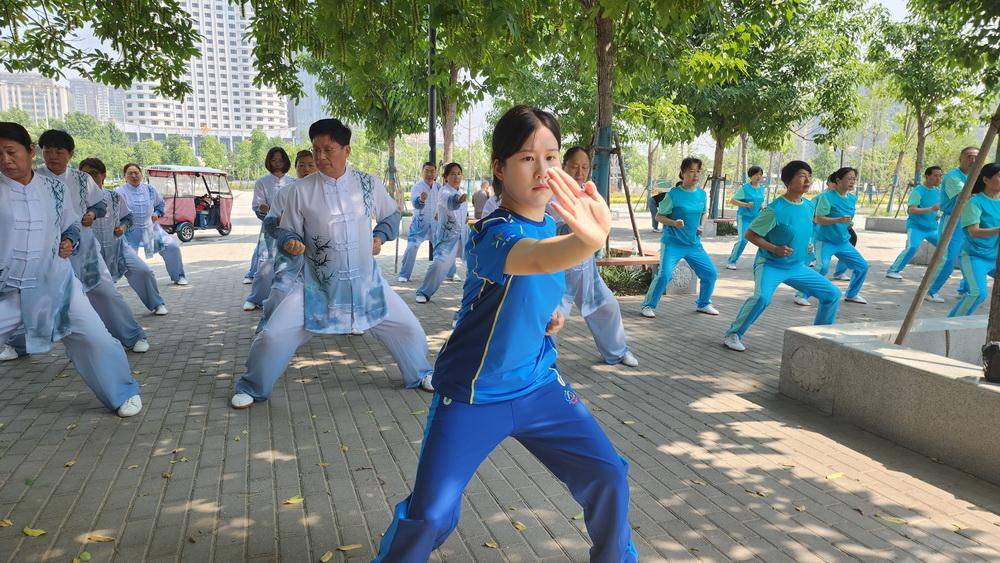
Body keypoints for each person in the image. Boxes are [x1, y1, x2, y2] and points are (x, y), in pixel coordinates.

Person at [374, 105, 636, 562]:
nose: (543, 170)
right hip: (474, 393)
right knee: (432, 515)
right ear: (499, 168)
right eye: (527, 158)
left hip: (537, 385)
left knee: (608, 476)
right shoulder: (490, 232)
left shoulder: (554, 226)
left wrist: (552, 315)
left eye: (551, 157)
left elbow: (545, 280)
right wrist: (589, 241)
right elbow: (534, 258)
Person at [231, 118, 435, 409]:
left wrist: (380, 235)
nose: (321, 156)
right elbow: (285, 229)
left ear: (347, 150)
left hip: (366, 282)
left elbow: (391, 216)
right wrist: (290, 241)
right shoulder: (300, 191)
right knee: (274, 335)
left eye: (329, 149)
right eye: (316, 150)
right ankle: (252, 386)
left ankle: (420, 373)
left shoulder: (368, 184)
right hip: (317, 285)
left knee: (409, 328)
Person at [0, 122, 142, 416]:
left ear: (28, 152)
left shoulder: (54, 188)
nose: (5, 160)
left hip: (56, 281)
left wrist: (69, 239)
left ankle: (122, 391)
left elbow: (70, 223)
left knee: (95, 337)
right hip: (8, 288)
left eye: (10, 152)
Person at [27, 130, 150, 353]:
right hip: (47, 251)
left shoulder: (82, 179)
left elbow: (100, 205)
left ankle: (132, 336)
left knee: (105, 293)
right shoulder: (33, 178)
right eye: (48, 151)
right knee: (29, 299)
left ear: (70, 154)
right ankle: (18, 344)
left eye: (59, 151)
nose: (53, 156)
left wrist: (92, 214)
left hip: (85, 251)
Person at [723, 161, 841, 352]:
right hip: (770, 264)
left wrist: (808, 243)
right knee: (762, 298)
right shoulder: (774, 209)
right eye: (802, 175)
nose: (808, 180)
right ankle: (733, 333)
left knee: (832, 295)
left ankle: (820, 337)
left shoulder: (809, 206)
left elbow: (804, 229)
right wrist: (774, 248)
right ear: (788, 181)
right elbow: (750, 235)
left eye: (809, 176)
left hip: (797, 267)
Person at [554, 147, 638, 367]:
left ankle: (617, 351)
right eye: (574, 166)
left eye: (584, 167)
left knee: (608, 306)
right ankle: (541, 366)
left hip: (586, 269)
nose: (580, 172)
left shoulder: (589, 195)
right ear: (564, 166)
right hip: (558, 269)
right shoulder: (552, 193)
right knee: (550, 317)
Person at [79, 158, 168, 317]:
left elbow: (128, 218)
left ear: (103, 175)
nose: (90, 178)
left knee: (143, 271)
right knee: (101, 288)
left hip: (119, 246)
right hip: (91, 252)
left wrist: (123, 227)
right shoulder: (76, 200)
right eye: (85, 175)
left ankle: (156, 303)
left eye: (94, 174)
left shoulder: (113, 197)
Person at [640, 157, 719, 318]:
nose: (695, 174)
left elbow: (704, 212)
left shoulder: (702, 194)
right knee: (665, 275)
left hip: (693, 244)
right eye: (691, 171)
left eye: (698, 171)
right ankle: (648, 305)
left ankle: (703, 304)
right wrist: (674, 222)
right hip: (673, 243)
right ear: (682, 173)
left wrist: (701, 226)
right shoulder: (673, 195)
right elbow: (659, 217)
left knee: (710, 274)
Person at [793, 166, 869, 306]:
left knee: (862, 266)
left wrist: (847, 223)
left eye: (854, 179)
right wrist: (838, 220)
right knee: (822, 267)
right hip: (825, 241)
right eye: (849, 178)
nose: (852, 182)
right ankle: (801, 294)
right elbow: (818, 219)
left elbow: (846, 217)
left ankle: (851, 294)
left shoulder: (852, 198)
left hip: (842, 241)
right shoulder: (826, 197)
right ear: (839, 180)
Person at [256, 150, 314, 331]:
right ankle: (266, 328)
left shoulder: (328, 193)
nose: (306, 169)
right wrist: (282, 227)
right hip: (290, 256)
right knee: (279, 291)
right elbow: (269, 224)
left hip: (321, 255)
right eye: (301, 165)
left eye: (311, 165)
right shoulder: (286, 193)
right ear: (295, 168)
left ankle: (353, 320)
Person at [116, 163, 188, 285]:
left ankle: (178, 276)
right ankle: (114, 282)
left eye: (136, 173)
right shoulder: (119, 192)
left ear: (141, 174)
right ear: (125, 176)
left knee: (172, 247)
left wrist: (157, 213)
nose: (134, 176)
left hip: (151, 228)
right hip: (130, 231)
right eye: (130, 173)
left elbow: (160, 205)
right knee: (128, 258)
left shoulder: (149, 189)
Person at [927, 146, 980, 302]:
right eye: (969, 156)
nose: (973, 160)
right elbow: (966, 196)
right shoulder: (953, 176)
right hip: (953, 220)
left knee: (970, 255)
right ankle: (930, 291)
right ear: (961, 158)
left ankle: (965, 290)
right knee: (947, 258)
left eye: (976, 157)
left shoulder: (976, 177)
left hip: (970, 221)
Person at [243, 148, 293, 311]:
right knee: (265, 266)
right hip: (270, 232)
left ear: (286, 161)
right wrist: (269, 213)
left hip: (291, 230)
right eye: (274, 160)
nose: (277, 163)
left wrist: (279, 213)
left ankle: (288, 300)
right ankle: (256, 298)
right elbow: (258, 208)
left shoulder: (293, 182)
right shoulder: (262, 182)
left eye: (280, 160)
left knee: (290, 265)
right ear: (269, 162)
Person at [949, 163, 1000, 317]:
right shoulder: (974, 202)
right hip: (974, 256)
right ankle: (950, 324)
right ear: (986, 179)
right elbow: (974, 232)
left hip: (995, 256)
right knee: (977, 293)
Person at [414, 163, 468, 303]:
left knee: (474, 265)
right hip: (447, 238)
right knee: (439, 264)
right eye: (452, 174)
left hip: (463, 235)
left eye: (459, 173)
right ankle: (423, 292)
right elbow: (451, 202)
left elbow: (460, 213)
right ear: (445, 177)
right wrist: (458, 200)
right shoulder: (444, 191)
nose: (456, 177)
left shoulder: (462, 190)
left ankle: (473, 299)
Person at [886, 166, 944, 279]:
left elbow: (939, 207)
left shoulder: (939, 192)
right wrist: (931, 209)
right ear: (926, 176)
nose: (938, 178)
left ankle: (940, 271)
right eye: (935, 176)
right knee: (912, 247)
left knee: (945, 248)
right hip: (916, 227)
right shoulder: (918, 191)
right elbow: (912, 210)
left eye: (940, 176)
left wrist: (937, 214)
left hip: (932, 228)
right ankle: (893, 270)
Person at [397, 162, 439, 282]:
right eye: (427, 171)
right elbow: (416, 203)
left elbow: (443, 203)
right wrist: (421, 199)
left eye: (432, 171)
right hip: (419, 224)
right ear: (422, 172)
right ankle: (404, 274)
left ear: (436, 173)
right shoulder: (417, 187)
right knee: (412, 247)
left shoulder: (439, 187)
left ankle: (451, 272)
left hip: (435, 225)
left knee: (443, 248)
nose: (429, 174)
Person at [726, 166, 766, 269]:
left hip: (757, 218)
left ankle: (762, 263)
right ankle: (731, 261)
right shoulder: (745, 188)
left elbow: (759, 202)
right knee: (743, 240)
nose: (758, 176)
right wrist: (746, 205)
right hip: (744, 218)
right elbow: (733, 201)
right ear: (750, 176)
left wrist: (762, 207)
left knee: (764, 240)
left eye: (760, 174)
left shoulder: (762, 188)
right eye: (756, 174)